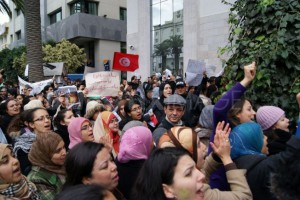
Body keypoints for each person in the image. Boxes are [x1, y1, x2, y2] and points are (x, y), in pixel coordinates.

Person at [131, 146, 252, 200]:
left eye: (195, 168)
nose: (202, 175)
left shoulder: (193, 193)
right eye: (188, 173)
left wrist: (217, 155)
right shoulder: (202, 194)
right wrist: (226, 158)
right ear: (168, 190)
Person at [208, 61, 256, 190]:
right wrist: (246, 80)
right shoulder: (223, 130)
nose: (254, 113)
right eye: (249, 109)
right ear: (237, 113)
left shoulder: (251, 134)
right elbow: (218, 109)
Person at [230, 122, 300, 200]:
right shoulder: (259, 167)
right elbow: (291, 154)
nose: (266, 137)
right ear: (253, 141)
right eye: (262, 136)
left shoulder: (236, 164)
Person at [9, 108, 52, 175]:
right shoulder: (23, 147)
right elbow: (27, 171)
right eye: (41, 119)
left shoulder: (53, 136)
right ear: (31, 124)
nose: (47, 121)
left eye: (48, 117)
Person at [116, 126, 153, 199]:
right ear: (143, 145)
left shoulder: (118, 161)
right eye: (150, 140)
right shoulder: (148, 170)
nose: (153, 143)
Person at [27, 132, 66, 199]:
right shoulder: (36, 179)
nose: (64, 153)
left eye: (64, 147)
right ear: (45, 155)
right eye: (58, 151)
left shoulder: (63, 162)